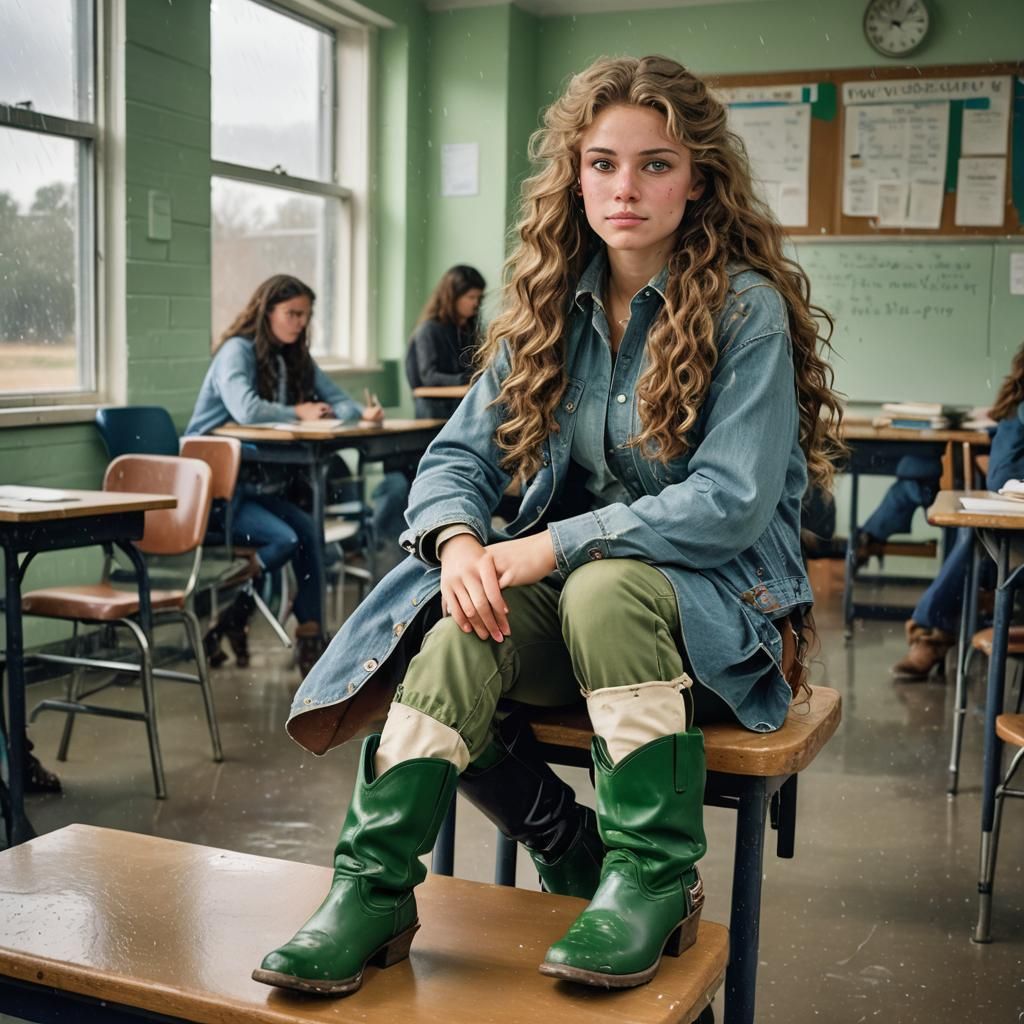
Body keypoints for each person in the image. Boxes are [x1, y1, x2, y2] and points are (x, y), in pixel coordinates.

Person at [251, 55, 842, 997]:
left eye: (656, 163)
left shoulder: (746, 311)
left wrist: (547, 544)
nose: (626, 187)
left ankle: (651, 875)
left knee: (602, 582)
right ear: (576, 173)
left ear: (699, 178)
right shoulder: (545, 309)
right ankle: (372, 888)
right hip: (579, 617)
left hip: (719, 624)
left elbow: (727, 501)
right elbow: (455, 461)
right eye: (604, 162)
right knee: (455, 626)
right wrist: (458, 544)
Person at [185, 274, 383, 676]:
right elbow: (246, 410)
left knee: (309, 533)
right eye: (291, 313)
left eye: (305, 316)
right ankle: (225, 609)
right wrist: (298, 411)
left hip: (258, 486)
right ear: (266, 311)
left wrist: (359, 414)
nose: (298, 323)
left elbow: (339, 402)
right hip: (215, 492)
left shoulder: (293, 357)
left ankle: (308, 641)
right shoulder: (235, 352)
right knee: (287, 538)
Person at [892, 343, 1024, 679]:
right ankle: (931, 633)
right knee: (976, 541)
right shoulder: (1017, 411)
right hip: (1016, 534)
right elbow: (1001, 477)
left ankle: (933, 633)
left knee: (970, 539)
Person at [405, 265, 486, 419]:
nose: (476, 303)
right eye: (471, 297)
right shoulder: (428, 330)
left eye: (479, 298)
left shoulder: (469, 330)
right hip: (436, 412)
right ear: (452, 297)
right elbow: (429, 377)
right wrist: (470, 378)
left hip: (462, 408)